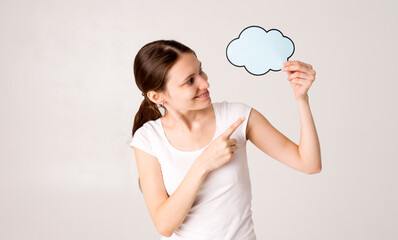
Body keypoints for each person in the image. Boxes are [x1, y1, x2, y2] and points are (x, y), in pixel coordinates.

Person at [130, 40, 321, 239]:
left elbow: (309, 164)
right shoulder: (148, 139)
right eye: (189, 81)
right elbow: (165, 225)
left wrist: (302, 99)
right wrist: (203, 164)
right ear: (157, 96)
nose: (205, 83)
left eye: (200, 71)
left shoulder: (236, 117)